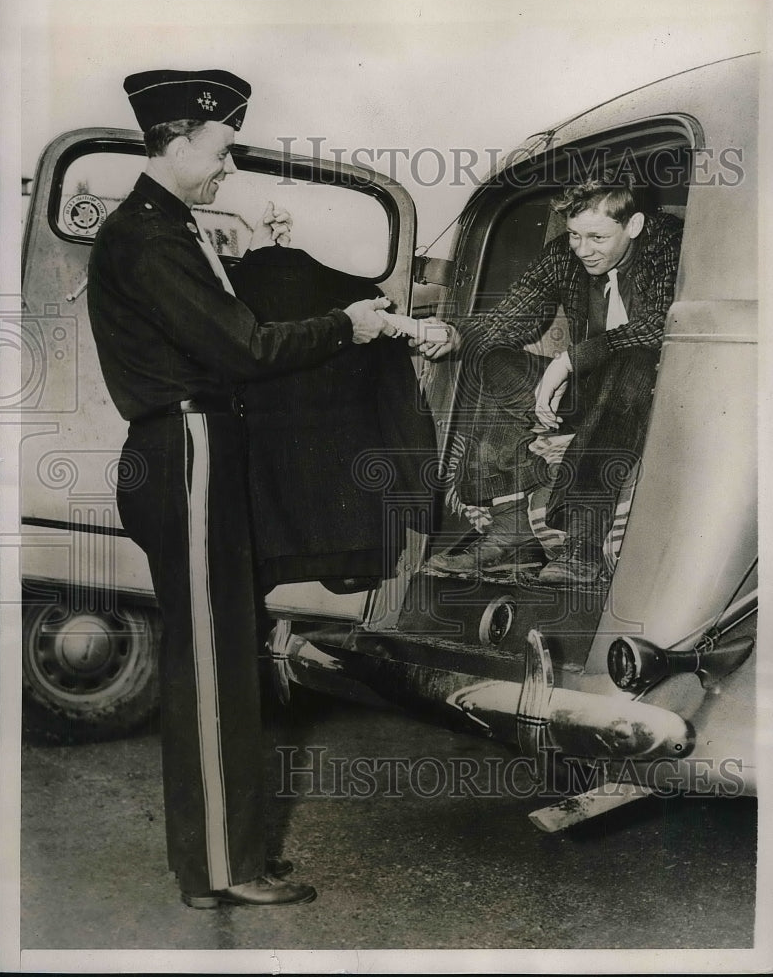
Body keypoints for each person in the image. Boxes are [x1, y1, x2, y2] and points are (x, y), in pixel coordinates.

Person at [87, 68, 396, 908]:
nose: (227, 167)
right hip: (186, 447)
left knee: (220, 654)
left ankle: (224, 855)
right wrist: (348, 324)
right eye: (221, 150)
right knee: (214, 666)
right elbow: (243, 351)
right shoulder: (148, 236)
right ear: (180, 141)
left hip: (197, 444)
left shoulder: (169, 226)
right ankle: (223, 869)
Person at [416, 175, 683, 586]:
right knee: (492, 358)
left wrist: (569, 361)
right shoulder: (565, 255)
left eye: (596, 237)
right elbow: (509, 321)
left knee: (632, 362)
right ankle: (511, 528)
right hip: (586, 392)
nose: (582, 249)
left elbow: (659, 327)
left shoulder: (669, 243)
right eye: (575, 235)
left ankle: (585, 541)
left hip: (652, 395)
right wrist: (455, 334)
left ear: (634, 225)